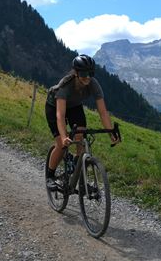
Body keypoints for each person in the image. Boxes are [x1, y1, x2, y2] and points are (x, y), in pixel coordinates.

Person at [45, 54, 118, 189]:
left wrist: (110, 133)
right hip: (54, 106)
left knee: (82, 138)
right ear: (76, 73)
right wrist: (64, 137)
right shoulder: (65, 87)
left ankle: (80, 179)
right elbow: (60, 116)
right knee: (61, 144)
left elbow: (102, 112)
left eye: (91, 73)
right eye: (84, 73)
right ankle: (50, 176)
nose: (88, 77)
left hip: (74, 106)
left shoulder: (93, 84)